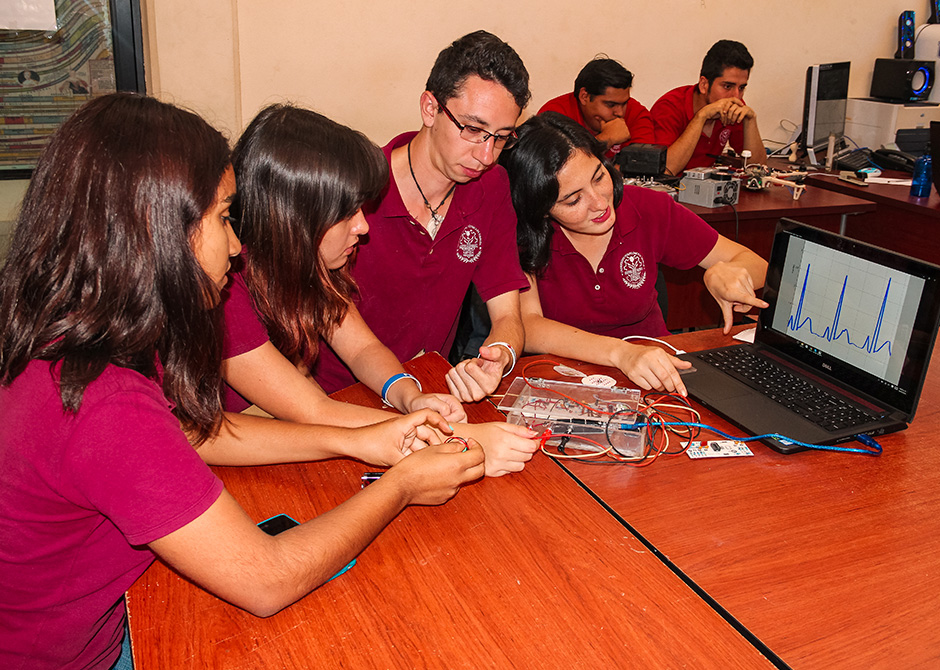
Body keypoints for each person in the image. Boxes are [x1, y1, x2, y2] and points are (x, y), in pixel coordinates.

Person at [0, 93, 484, 670]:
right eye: (225, 218)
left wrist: (357, 439)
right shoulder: (100, 399)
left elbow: (194, 432)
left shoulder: (91, 336)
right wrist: (400, 485)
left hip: (110, 614)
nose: (235, 244)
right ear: (160, 231)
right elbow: (266, 579)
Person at [224, 104, 538, 477]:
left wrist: (411, 396)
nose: (362, 227)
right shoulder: (228, 290)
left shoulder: (309, 266)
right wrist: (458, 436)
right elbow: (312, 410)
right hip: (241, 459)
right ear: (293, 217)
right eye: (346, 213)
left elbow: (362, 348)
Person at [313, 30, 530, 405]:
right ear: (430, 107)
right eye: (474, 130)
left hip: (428, 388)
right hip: (334, 395)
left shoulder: (491, 186)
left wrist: (500, 356)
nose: (487, 155)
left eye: (501, 137)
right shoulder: (358, 189)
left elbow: (507, 312)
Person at [500, 113, 768, 395]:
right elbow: (527, 326)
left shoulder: (648, 208)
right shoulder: (523, 235)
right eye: (573, 199)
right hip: (565, 383)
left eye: (599, 177)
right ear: (541, 209)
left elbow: (757, 265)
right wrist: (621, 354)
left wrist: (724, 274)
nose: (599, 202)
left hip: (658, 374)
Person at [650, 40, 767, 175]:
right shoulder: (669, 107)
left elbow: (758, 171)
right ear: (704, 85)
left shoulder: (735, 108)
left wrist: (750, 120)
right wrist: (701, 117)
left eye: (741, 88)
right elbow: (665, 171)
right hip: (671, 190)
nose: (736, 96)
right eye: (727, 86)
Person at [538, 57, 654, 159]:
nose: (619, 113)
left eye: (624, 104)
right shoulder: (553, 116)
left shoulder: (637, 114)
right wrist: (605, 140)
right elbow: (552, 169)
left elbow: (645, 167)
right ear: (584, 97)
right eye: (611, 105)